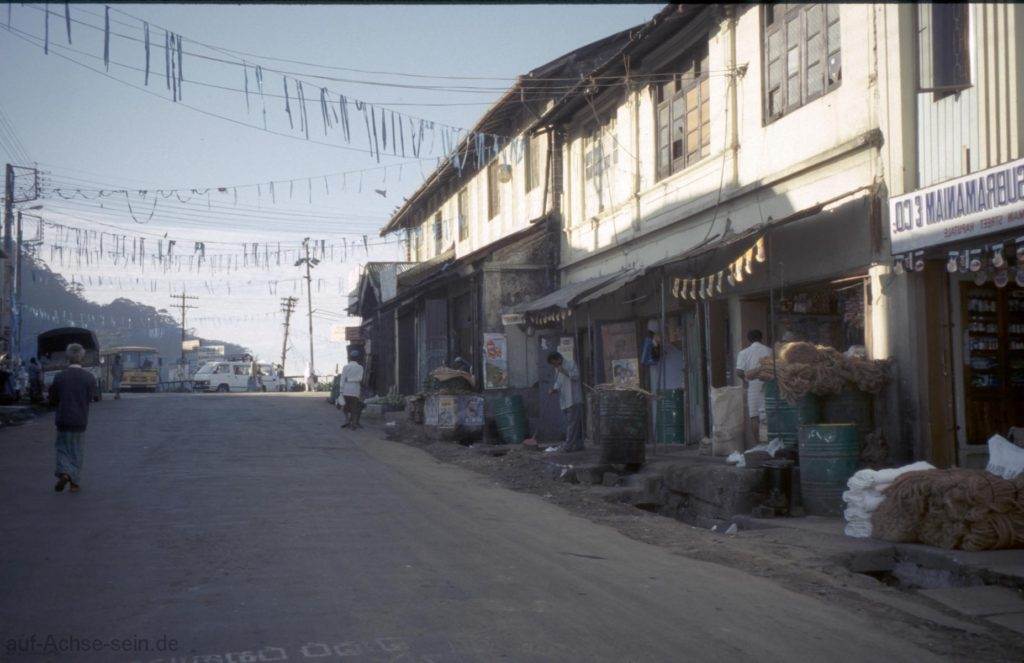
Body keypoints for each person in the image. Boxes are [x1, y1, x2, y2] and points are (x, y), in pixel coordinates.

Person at [48, 343, 98, 493]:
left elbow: (53, 399)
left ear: (67, 358)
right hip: (80, 420)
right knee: (77, 451)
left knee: (62, 449)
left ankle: (64, 472)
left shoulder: (59, 377)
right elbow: (91, 397)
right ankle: (74, 483)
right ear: (82, 357)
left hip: (63, 419)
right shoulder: (89, 378)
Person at [735, 329, 774, 447]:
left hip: (753, 384)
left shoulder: (744, 352)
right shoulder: (769, 350)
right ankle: (769, 442)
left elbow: (739, 371)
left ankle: (758, 444)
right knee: (767, 413)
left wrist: (745, 380)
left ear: (748, 340)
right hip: (768, 383)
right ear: (761, 338)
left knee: (754, 415)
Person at [545, 352, 584, 453]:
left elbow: (576, 376)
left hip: (573, 399)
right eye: (552, 364)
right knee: (573, 424)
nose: (554, 365)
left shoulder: (571, 364)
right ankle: (578, 444)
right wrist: (553, 390)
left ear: (558, 359)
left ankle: (568, 446)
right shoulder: (556, 369)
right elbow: (558, 383)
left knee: (572, 424)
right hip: (564, 400)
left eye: (554, 363)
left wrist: (564, 371)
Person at [340, 354, 365, 429]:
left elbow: (342, 379)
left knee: (345, 406)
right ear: (357, 359)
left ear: (349, 358)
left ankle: (347, 420)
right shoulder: (360, 367)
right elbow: (360, 379)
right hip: (355, 389)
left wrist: (341, 391)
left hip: (346, 389)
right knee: (354, 407)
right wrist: (352, 379)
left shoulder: (346, 367)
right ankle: (353, 423)